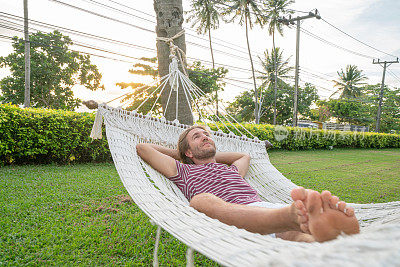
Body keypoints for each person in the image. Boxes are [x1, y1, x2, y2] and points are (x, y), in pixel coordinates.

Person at [136, 125, 360, 242]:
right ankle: (299, 221)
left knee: (295, 237)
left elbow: (244, 156)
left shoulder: (232, 170)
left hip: (264, 212)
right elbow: (143, 148)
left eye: (207, 135)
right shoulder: (183, 170)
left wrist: (208, 153)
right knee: (199, 200)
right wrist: (185, 156)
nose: (205, 137)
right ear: (186, 151)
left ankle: (326, 235)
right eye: (197, 137)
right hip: (227, 217)